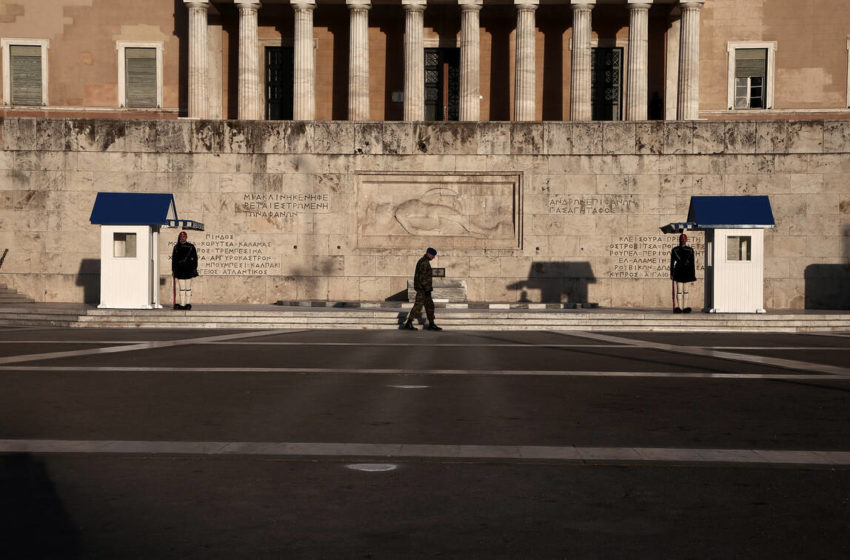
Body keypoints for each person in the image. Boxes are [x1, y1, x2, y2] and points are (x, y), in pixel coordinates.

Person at [401, 247, 442, 331]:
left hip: (424, 289)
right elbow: (422, 278)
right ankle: (409, 323)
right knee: (418, 305)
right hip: (423, 289)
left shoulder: (424, 261)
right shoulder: (424, 262)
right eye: (433, 255)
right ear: (429, 254)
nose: (434, 257)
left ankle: (431, 323)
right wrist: (427, 289)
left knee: (429, 306)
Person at [171, 231, 198, 310]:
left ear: (186, 237)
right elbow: (174, 260)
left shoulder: (191, 247)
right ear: (180, 237)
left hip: (188, 269)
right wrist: (173, 270)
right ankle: (182, 304)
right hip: (179, 270)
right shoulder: (176, 247)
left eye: (184, 237)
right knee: (182, 288)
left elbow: (195, 259)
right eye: (182, 237)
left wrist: (194, 268)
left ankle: (188, 303)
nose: (183, 238)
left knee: (188, 288)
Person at [670, 233, 696, 313]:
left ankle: (685, 307)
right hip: (678, 271)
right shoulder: (675, 250)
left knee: (686, 290)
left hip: (687, 271)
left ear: (686, 240)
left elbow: (692, 263)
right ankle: (680, 307)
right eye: (681, 238)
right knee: (679, 290)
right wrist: (671, 273)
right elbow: (672, 262)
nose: (683, 240)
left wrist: (692, 275)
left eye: (684, 238)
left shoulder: (690, 250)